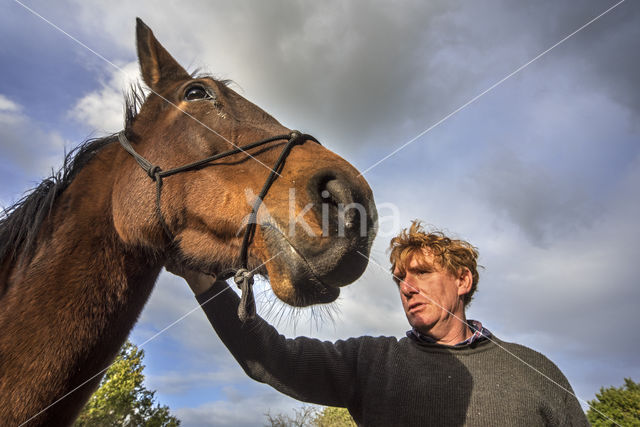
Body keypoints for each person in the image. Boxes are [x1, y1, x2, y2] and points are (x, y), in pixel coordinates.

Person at [169, 221, 588, 426]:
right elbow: (269, 358)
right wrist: (203, 283)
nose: (407, 287)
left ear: (463, 280)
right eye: (400, 279)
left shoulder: (535, 372)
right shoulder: (372, 362)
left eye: (421, 273)